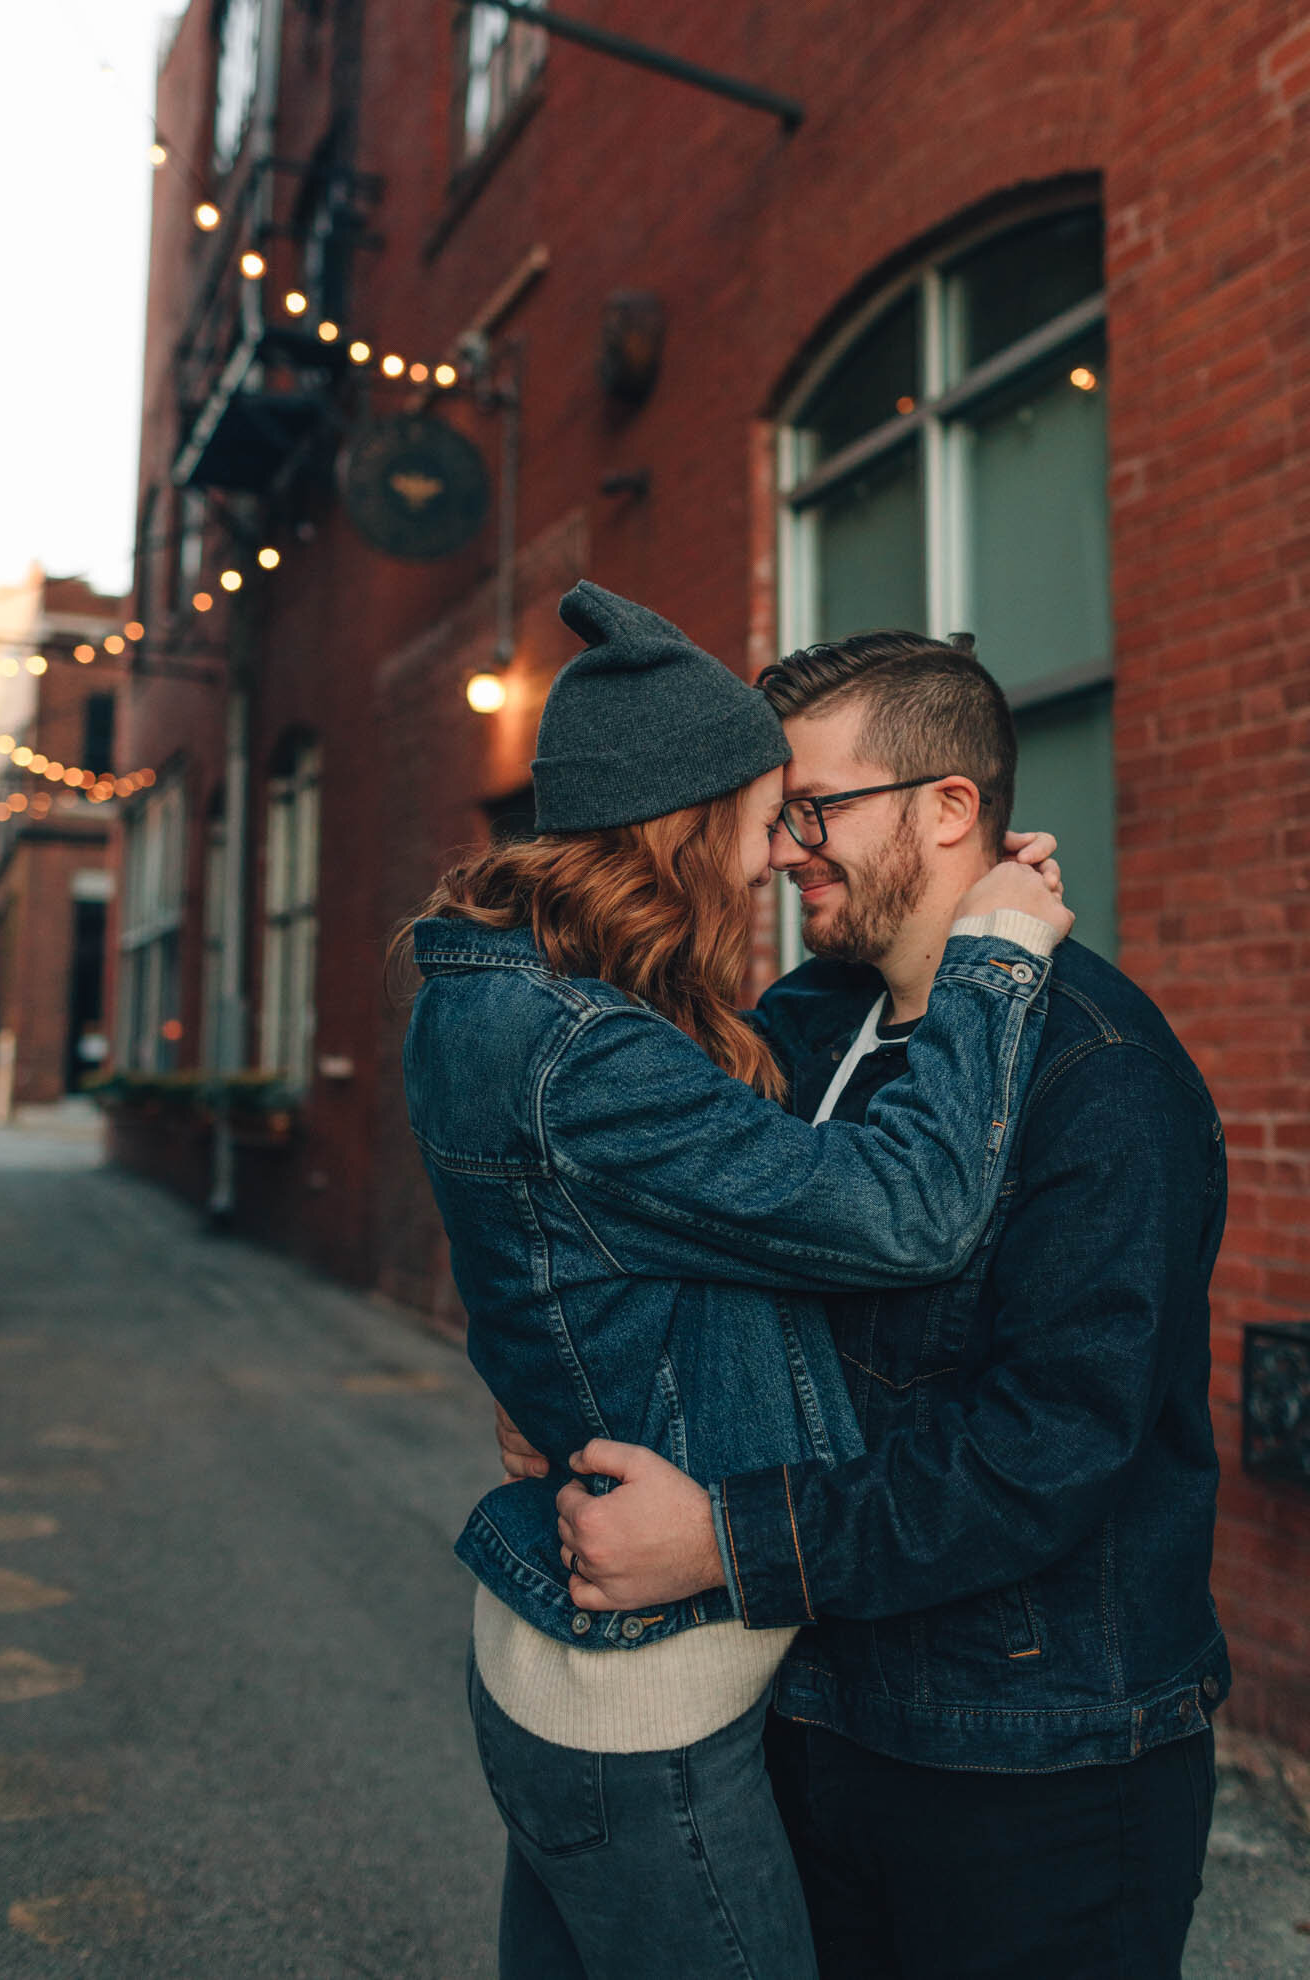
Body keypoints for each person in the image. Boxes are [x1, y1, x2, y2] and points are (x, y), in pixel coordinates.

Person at [399, 583, 1072, 1980]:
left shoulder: (494, 997)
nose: (780, 856)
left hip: (574, 1669)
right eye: (770, 816)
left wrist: (543, 1378)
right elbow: (909, 1213)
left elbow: (545, 1250)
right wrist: (994, 960)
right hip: (641, 1693)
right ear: (685, 817)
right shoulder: (585, 1052)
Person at [542, 630, 1230, 1980]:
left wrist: (721, 1543)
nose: (787, 845)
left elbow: (1048, 1449)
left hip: (1034, 1757)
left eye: (817, 807)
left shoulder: (1100, 1075)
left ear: (950, 808)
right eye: (775, 813)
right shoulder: (807, 1026)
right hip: (816, 1715)